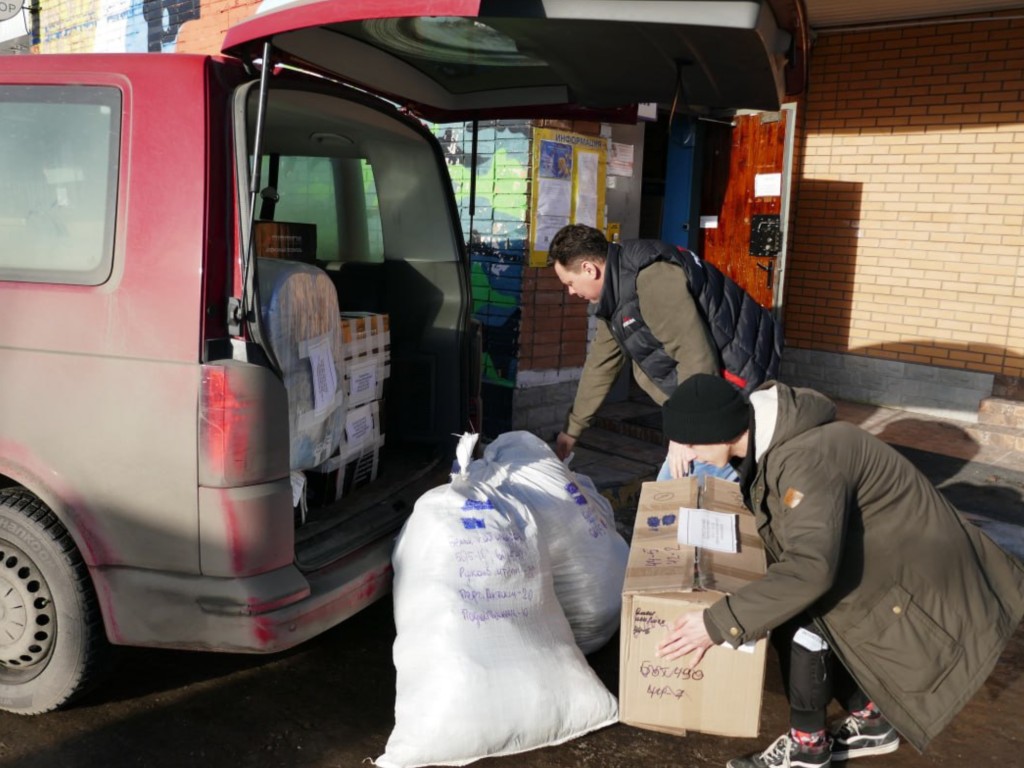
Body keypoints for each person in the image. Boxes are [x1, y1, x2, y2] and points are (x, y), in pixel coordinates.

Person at [655, 373, 1024, 768]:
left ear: (723, 432)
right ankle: (871, 719)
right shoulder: (777, 441)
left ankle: (807, 746)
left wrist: (716, 623)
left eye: (692, 443)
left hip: (922, 578)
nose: (688, 454)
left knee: (797, 618)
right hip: (890, 559)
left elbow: (810, 569)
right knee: (787, 598)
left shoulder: (803, 457)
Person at [548, 224, 781, 481]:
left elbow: (695, 355)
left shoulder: (651, 278)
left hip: (732, 386)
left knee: (679, 496)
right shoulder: (615, 294)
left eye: (569, 282)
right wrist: (572, 431)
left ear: (589, 269)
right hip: (709, 396)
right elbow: (600, 366)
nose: (570, 291)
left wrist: (688, 432)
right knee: (695, 497)